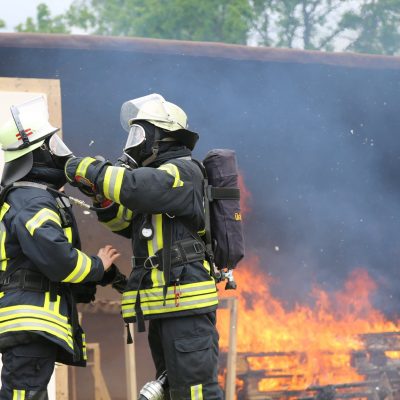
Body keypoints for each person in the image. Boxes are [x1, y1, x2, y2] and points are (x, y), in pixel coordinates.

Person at [65, 93, 223, 399]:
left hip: (186, 309)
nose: (134, 142)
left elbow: (134, 188)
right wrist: (101, 197)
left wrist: (88, 170)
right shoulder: (158, 185)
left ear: (160, 137)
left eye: (139, 134)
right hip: (167, 310)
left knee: (196, 393)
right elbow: (125, 222)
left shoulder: (183, 171)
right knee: (175, 393)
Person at [0, 96, 120, 399]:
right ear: (37, 156)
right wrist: (96, 266)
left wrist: (110, 278)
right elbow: (57, 259)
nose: (60, 155)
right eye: (51, 147)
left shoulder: (28, 197)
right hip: (30, 319)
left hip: (29, 322)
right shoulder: (32, 201)